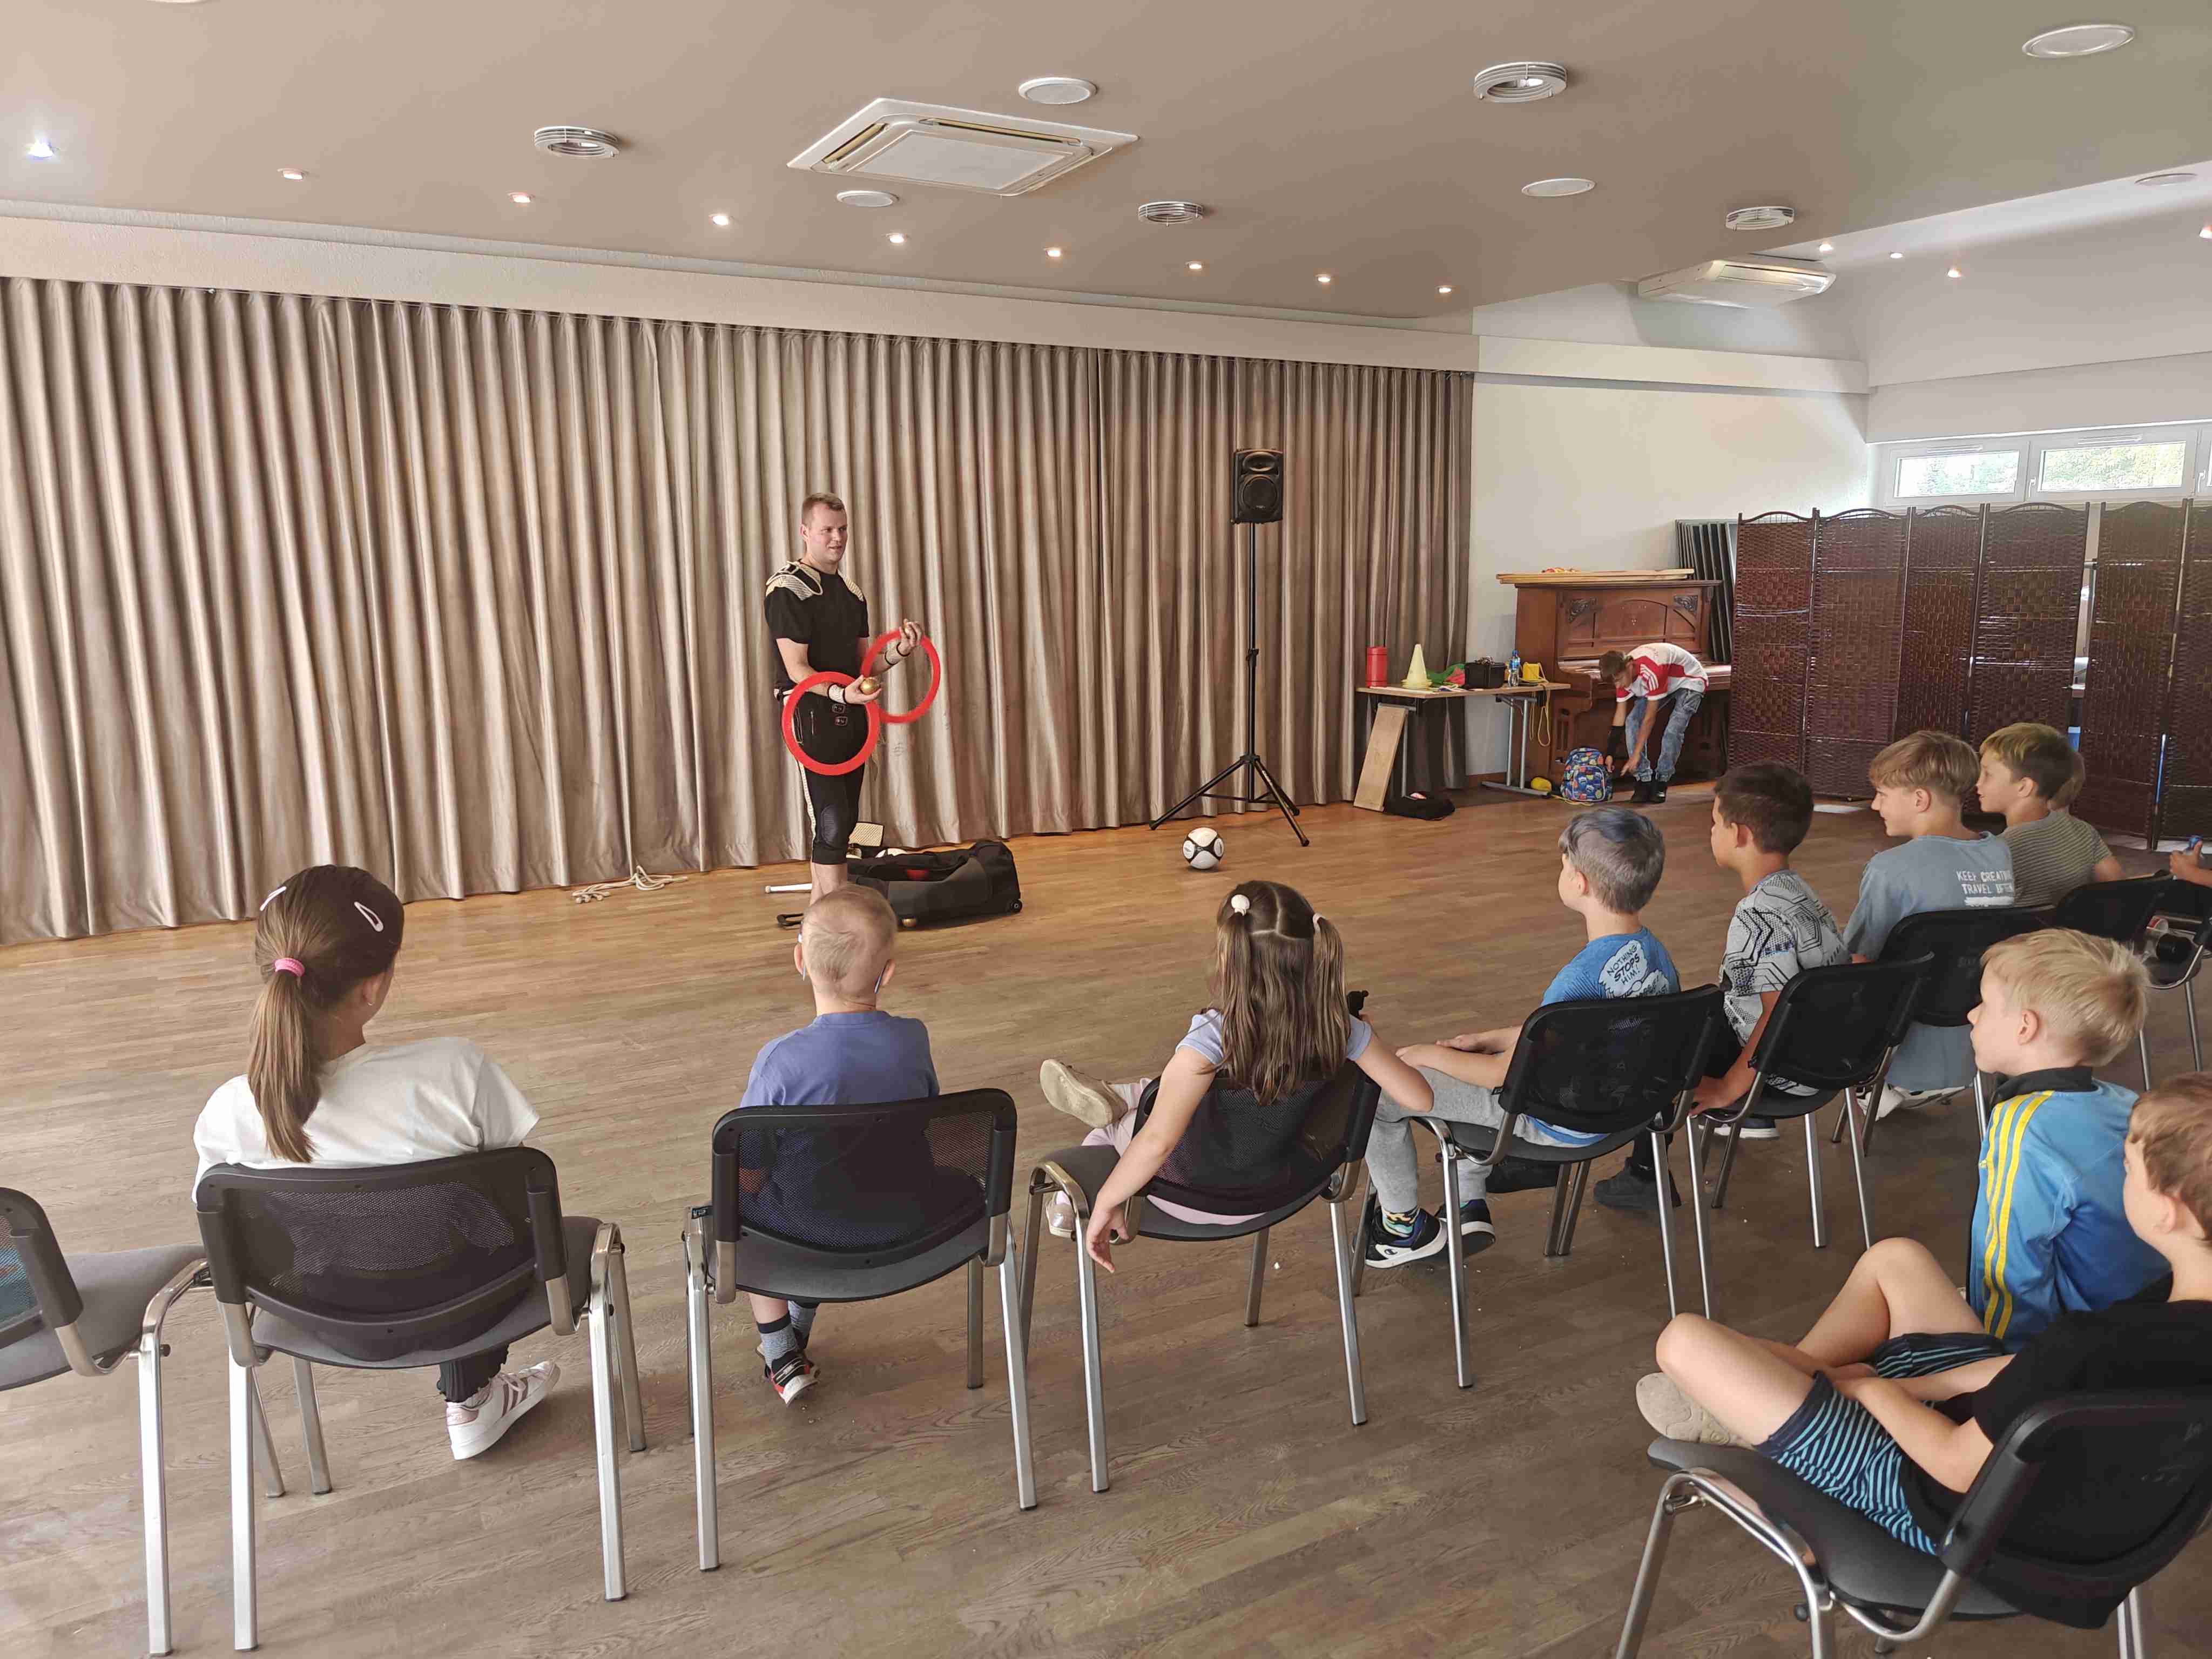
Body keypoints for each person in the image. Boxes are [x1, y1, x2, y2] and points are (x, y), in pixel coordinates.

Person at [1633, 1073, 2212, 1582]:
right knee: (1897, 1261)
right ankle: (1777, 1411)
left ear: (2167, 1211)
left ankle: (1770, 1432)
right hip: (2075, 1512)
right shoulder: (2153, 1311)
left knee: (1683, 1341)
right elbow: (2032, 1373)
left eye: (2126, 1167)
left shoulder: (2089, 1343)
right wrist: (1907, 1387)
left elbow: (1957, 1466)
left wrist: (1873, 1392)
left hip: (1956, 1515)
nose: (2118, 1174)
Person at [191, 866, 552, 1462]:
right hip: (474, 1308)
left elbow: (226, 1230)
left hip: (319, 1314)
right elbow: (510, 1199)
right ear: (373, 986)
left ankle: (472, 1399)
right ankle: (471, 1398)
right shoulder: (455, 1073)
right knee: (468, 1226)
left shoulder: (231, 1110)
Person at [1035, 881, 1432, 1262]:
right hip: (1281, 1189)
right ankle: (1126, 1095)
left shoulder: (1212, 1037)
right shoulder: (1342, 1030)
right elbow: (1421, 1099)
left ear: (1230, 957)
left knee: (1118, 1127)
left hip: (1187, 1195)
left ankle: (1067, 1206)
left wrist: (1107, 1200)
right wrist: (1373, 1042)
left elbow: (1157, 1143)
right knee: (1181, 1092)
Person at [1371, 807, 1680, 1265]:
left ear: (1579, 883)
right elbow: (1585, 1032)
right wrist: (1493, 1037)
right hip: (1625, 1112)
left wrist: (1425, 1056)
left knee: (1383, 1093)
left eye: (1563, 864)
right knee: (1452, 1072)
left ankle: (1401, 1228)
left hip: (1559, 1122)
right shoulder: (1658, 957)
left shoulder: (1577, 981)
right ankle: (1468, 1203)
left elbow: (1502, 1075)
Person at [1598, 763, 1848, 1211]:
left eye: (1715, 823)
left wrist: (1730, 1088)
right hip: (1823, 1058)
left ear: (1740, 835)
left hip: (1779, 1068)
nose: (1711, 832)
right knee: (1691, 1012)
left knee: (1654, 1037)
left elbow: (1778, 1012)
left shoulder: (1756, 915)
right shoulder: (1801, 893)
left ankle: (1645, 1174)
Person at [734, 884, 946, 1404]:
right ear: (887, 972)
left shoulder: (780, 1061)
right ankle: (799, 1323)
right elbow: (925, 1113)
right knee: (832, 1178)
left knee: (741, 1214)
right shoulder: (913, 1039)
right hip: (906, 1218)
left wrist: (751, 1189)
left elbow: (749, 1157)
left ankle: (780, 1351)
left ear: (800, 962)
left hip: (806, 1227)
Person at [1964, 928, 2163, 1345]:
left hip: (2069, 1348)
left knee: (1893, 1265)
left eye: (1985, 1004)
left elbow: (2010, 1271)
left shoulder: (2024, 1128)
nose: (1972, 1015)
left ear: (2025, 1027)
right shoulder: (2126, 1103)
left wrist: (2001, 1361)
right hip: (2145, 1322)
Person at [1844, 731, 2016, 1118]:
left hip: (1899, 1047)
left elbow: (1860, 959)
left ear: (1920, 799)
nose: (1875, 805)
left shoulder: (1890, 868)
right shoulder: (1999, 853)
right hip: (1977, 1041)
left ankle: (1875, 1081)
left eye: (1882, 795)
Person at [767, 491, 921, 903]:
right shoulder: (788, 589)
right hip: (810, 712)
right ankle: (832, 920)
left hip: (851, 710)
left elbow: (862, 665)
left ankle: (821, 921)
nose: (837, 538)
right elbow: (797, 668)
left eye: (843, 529)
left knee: (847, 821)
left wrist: (900, 650)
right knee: (832, 821)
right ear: (805, 532)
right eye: (827, 530)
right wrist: (840, 692)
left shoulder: (852, 593)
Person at [1977, 722, 2125, 906]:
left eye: (1987, 774)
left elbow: (1973, 916)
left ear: (2024, 787)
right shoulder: (2082, 831)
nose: (1978, 782)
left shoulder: (1997, 852)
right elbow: (2120, 892)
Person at [1600, 643, 1708, 805]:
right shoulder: (1621, 674)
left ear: (1630, 666)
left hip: (1690, 680)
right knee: (1632, 720)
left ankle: (1662, 781)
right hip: (1666, 683)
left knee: (1673, 731)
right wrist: (1610, 753)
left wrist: (1636, 755)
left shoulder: (1651, 671)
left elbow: (1649, 719)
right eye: (1615, 682)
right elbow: (1620, 716)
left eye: (1619, 680)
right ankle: (1643, 781)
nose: (1619, 686)